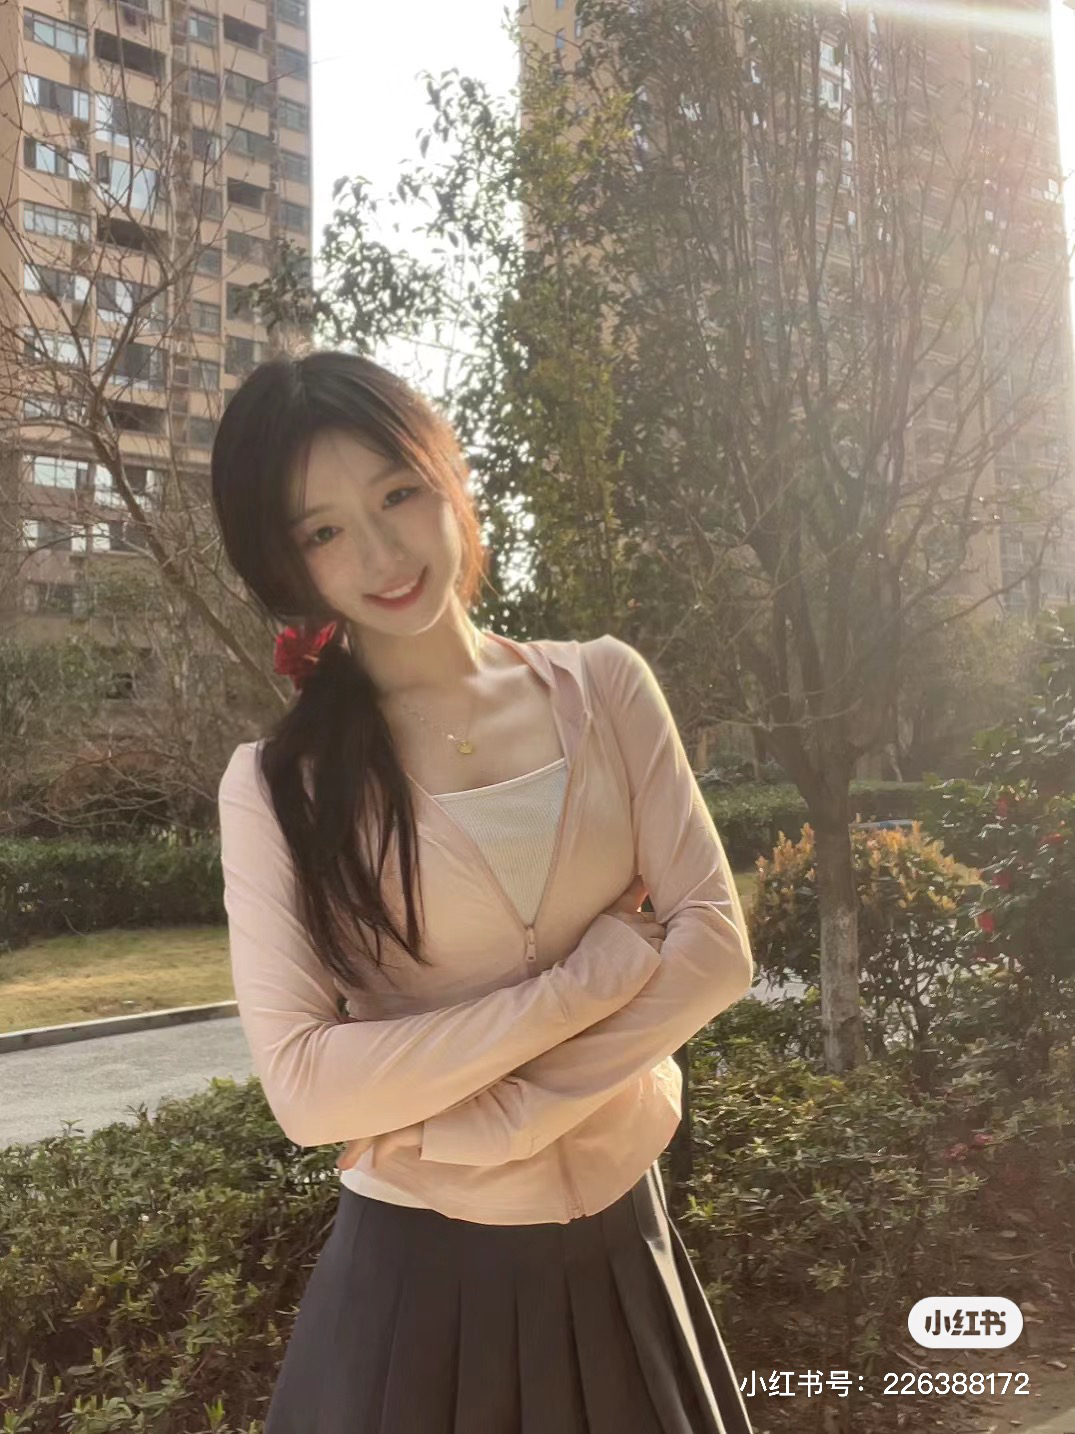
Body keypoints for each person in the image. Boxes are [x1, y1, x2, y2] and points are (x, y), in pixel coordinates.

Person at [212, 349, 757, 1433]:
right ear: (288, 564)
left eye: (396, 494)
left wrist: (504, 1117)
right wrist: (586, 983)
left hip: (622, 1252)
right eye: (323, 532)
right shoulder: (278, 786)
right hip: (413, 1295)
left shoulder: (604, 685)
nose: (381, 554)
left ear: (447, 477)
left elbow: (714, 951)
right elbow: (308, 1088)